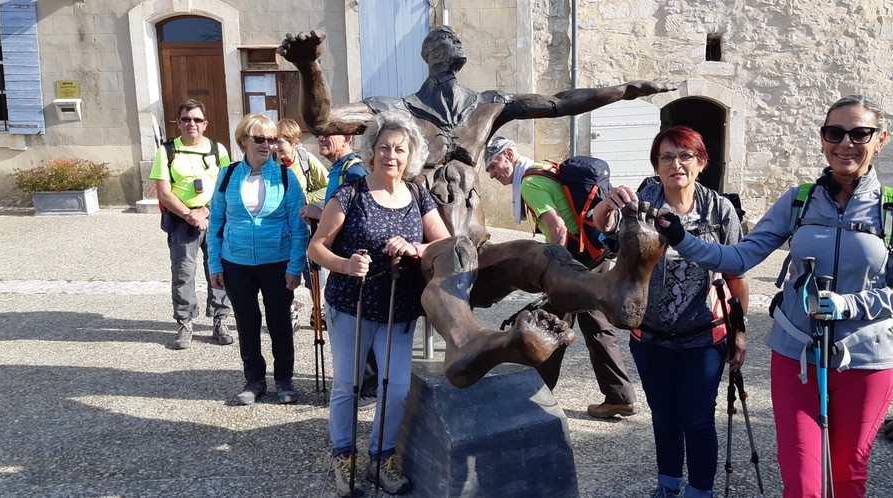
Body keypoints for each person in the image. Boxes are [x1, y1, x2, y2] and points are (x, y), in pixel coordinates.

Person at [279, 25, 676, 389]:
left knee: (540, 254)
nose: (453, 42)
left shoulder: (487, 106)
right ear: (427, 54)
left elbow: (559, 102)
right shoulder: (394, 109)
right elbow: (322, 120)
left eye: (456, 39)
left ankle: (608, 287)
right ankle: (468, 341)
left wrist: (623, 91)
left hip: (477, 251)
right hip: (419, 261)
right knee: (452, 252)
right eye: (442, 38)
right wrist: (309, 66)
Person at [654, 96, 893, 498]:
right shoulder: (800, 201)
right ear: (823, 139)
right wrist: (682, 238)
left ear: (880, 139)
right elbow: (739, 257)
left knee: (847, 476)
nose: (846, 143)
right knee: (802, 482)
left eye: (860, 133)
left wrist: (850, 304)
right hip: (797, 357)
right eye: (835, 132)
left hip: (866, 359)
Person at [592, 126, 748, 498]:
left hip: (704, 335)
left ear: (701, 162)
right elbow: (605, 233)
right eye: (666, 157)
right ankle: (668, 486)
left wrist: (739, 331)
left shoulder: (719, 209)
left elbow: (736, 274)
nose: (676, 164)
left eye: (685, 156)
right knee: (663, 418)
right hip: (649, 335)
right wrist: (607, 204)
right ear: (657, 165)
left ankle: (700, 491)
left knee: (697, 420)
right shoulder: (642, 202)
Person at [307, 111, 450, 496]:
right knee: (348, 386)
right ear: (372, 151)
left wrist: (415, 246)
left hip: (397, 310)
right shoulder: (350, 193)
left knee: (397, 388)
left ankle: (382, 457)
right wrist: (345, 263)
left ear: (411, 155)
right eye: (384, 147)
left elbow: (443, 241)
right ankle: (343, 456)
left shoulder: (419, 194)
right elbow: (316, 247)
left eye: (400, 149)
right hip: (350, 305)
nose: (391, 155)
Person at [485, 136, 638, 419]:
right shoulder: (542, 168)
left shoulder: (529, 183)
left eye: (494, 166)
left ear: (509, 154)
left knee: (549, 325)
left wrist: (552, 271)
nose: (493, 175)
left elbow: (558, 230)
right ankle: (620, 395)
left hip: (573, 264)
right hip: (594, 256)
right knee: (595, 325)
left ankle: (536, 397)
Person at [206, 114, 308, 406]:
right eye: (260, 139)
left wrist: (294, 266)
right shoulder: (227, 175)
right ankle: (254, 380)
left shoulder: (286, 177)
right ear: (243, 141)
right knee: (247, 323)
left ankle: (285, 379)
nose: (268, 145)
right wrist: (215, 264)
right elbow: (215, 226)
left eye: (272, 139)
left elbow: (298, 228)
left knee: (279, 323)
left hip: (276, 262)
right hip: (235, 263)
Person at [300, 133, 380, 400]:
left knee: (362, 322)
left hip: (356, 262)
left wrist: (320, 214)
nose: (321, 138)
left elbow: (359, 215)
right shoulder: (337, 168)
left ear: (346, 137)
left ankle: (368, 390)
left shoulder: (354, 170)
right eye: (320, 134)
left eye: (328, 134)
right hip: (341, 262)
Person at [149, 99, 233, 350]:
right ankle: (185, 323)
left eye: (197, 119)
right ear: (179, 122)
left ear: (205, 124)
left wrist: (205, 211)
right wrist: (190, 215)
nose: (191, 124)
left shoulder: (218, 150)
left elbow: (226, 187)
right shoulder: (166, 151)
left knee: (218, 270)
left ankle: (220, 320)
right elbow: (164, 193)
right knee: (183, 273)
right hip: (182, 222)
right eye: (186, 119)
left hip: (214, 219)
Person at [275, 119, 329, 329]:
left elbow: (327, 186)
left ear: (295, 142)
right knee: (283, 266)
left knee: (313, 267)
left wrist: (304, 199)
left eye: (282, 141)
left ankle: (318, 309)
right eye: (276, 141)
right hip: (280, 225)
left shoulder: (306, 160)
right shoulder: (271, 164)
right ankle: (289, 307)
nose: (277, 146)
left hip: (304, 224)